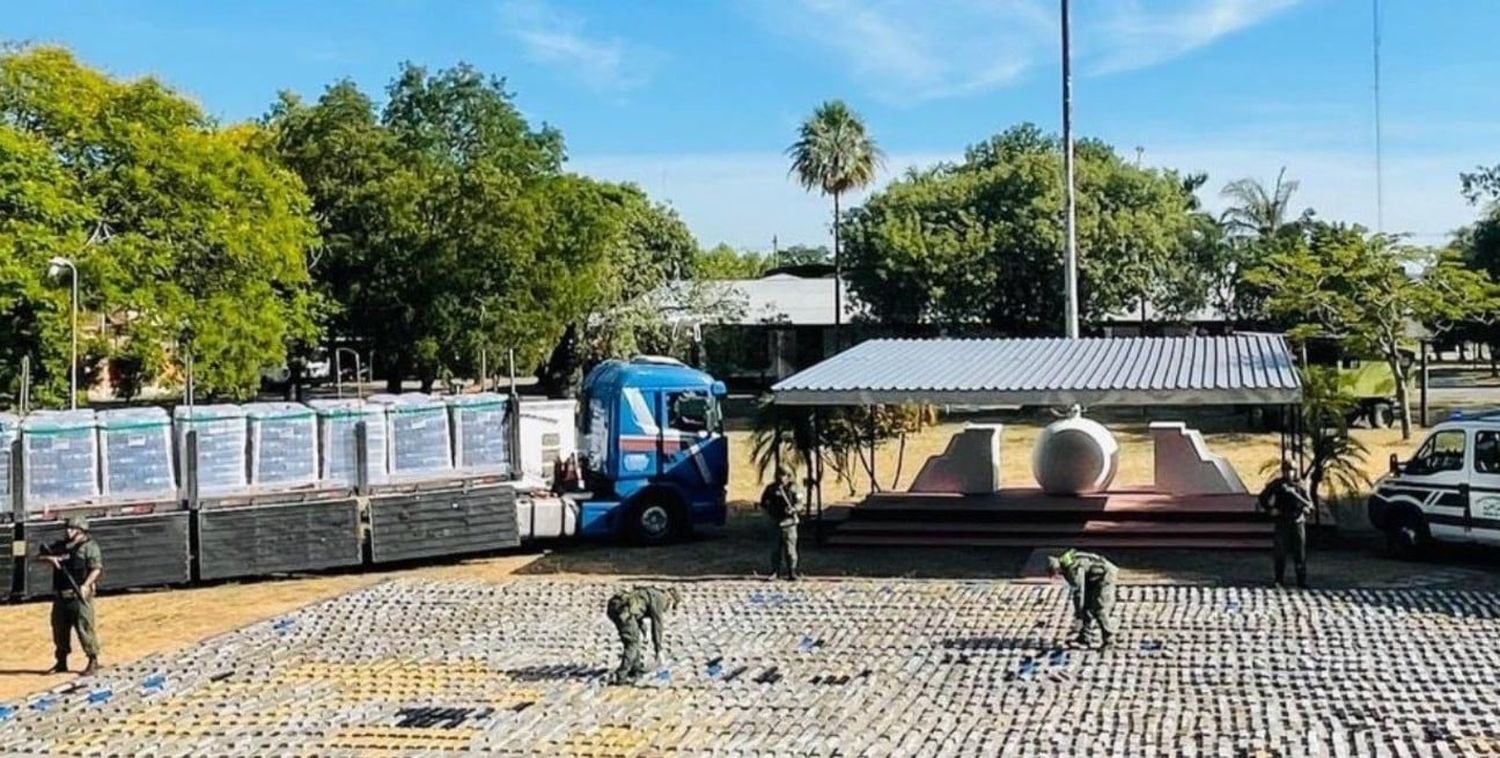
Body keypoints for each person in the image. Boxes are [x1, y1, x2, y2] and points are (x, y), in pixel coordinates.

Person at [39, 516, 102, 676]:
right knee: (59, 630)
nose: (68, 531)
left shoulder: (89, 547)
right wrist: (50, 559)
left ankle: (92, 659)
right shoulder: (60, 547)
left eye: (73, 529)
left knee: (85, 628)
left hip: (79, 595)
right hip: (61, 596)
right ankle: (61, 662)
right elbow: (39, 556)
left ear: (81, 531)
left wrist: (86, 585)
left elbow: (96, 568)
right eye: (67, 528)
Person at [605, 586, 681, 685]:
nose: (667, 609)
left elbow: (638, 606)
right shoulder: (661, 599)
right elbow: (657, 624)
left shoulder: (652, 592)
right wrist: (658, 649)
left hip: (617, 608)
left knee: (634, 639)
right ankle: (621, 676)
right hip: (623, 612)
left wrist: (642, 628)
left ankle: (635, 669)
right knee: (632, 644)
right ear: (670, 599)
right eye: (671, 606)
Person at [1047, 549, 1118, 649]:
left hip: (1105, 576)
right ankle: (1085, 637)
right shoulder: (1067, 561)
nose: (1057, 576)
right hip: (1092, 578)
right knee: (1087, 607)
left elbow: (1079, 592)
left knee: (1100, 608)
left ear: (1057, 569)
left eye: (1056, 573)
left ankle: (1109, 638)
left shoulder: (1072, 568)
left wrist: (1078, 614)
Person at [1258, 460, 1314, 588]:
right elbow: (1263, 498)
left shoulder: (1300, 485)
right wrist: (1270, 509)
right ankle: (1279, 579)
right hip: (1282, 521)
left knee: (1299, 553)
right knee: (1280, 552)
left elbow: (1309, 503)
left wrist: (1306, 509)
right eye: (1286, 471)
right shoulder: (1277, 485)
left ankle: (1301, 580)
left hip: (1297, 521)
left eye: (1291, 470)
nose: (1289, 473)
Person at [758, 467, 800, 581]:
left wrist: (794, 509)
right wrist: (769, 512)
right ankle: (775, 571)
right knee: (775, 549)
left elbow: (800, 503)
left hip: (789, 524)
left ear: (789, 476)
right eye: (779, 474)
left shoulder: (793, 488)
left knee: (790, 550)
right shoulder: (771, 489)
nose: (781, 477)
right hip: (775, 522)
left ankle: (792, 571)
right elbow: (763, 502)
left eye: (784, 475)